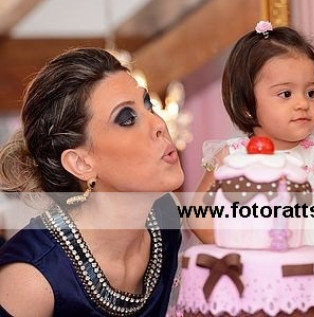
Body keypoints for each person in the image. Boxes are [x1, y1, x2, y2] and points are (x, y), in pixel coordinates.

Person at [189, 21, 314, 278]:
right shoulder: (232, 157)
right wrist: (235, 248)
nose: (303, 104)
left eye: (311, 93)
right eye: (286, 94)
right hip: (252, 278)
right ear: (246, 106)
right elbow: (199, 215)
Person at [0, 48, 184, 316]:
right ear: (81, 163)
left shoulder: (167, 213)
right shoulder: (31, 279)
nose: (159, 124)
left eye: (148, 105)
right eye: (127, 118)